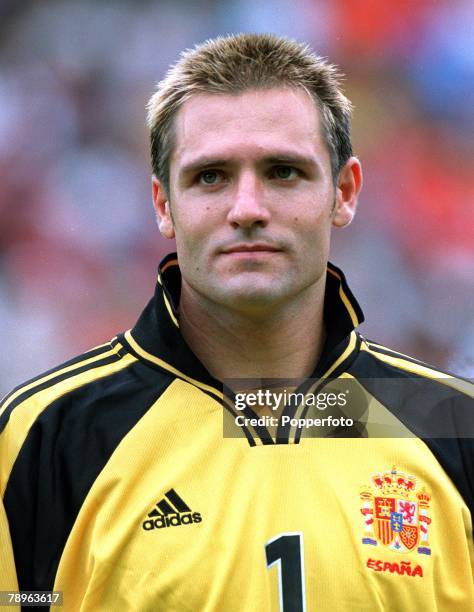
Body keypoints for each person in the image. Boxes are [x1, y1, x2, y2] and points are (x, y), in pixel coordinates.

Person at [0, 33, 473, 611]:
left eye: (283, 172)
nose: (247, 208)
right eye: (211, 176)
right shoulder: (43, 437)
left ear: (344, 192)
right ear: (162, 204)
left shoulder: (453, 424)